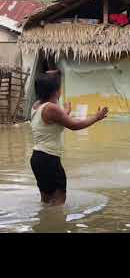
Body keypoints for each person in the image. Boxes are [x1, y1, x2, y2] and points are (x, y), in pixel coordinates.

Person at [30, 72, 108, 206]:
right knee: (59, 200)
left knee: (46, 200)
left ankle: (43, 224)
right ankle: (56, 225)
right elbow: (74, 125)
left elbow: (54, 120)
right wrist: (96, 117)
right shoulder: (51, 108)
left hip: (37, 158)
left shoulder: (37, 105)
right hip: (49, 159)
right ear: (55, 91)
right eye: (59, 88)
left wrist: (66, 112)